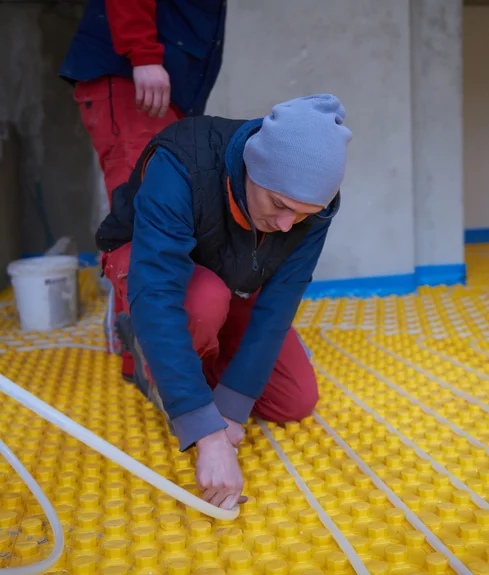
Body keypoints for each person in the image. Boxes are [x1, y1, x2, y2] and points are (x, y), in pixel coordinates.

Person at [95, 94, 352, 510]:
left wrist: (232, 409)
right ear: (252, 167)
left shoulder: (314, 212)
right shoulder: (181, 163)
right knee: (201, 302)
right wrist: (208, 433)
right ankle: (147, 349)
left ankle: (186, 364)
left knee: (294, 400)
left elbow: (278, 305)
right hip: (149, 266)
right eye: (279, 205)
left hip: (228, 275)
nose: (288, 225)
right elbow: (159, 291)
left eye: (302, 214)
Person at [59, 0, 227, 380]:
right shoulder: (144, 60)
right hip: (137, 80)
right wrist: (143, 54)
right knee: (142, 228)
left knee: (156, 226)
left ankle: (146, 361)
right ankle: (158, 370)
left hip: (159, 90)